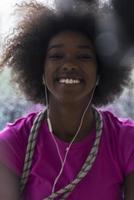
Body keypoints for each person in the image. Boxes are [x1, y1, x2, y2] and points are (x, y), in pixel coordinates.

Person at [0, 1, 134, 200]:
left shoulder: (126, 140)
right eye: (56, 55)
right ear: (40, 71)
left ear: (100, 73)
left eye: (83, 56)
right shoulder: (11, 144)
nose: (69, 64)